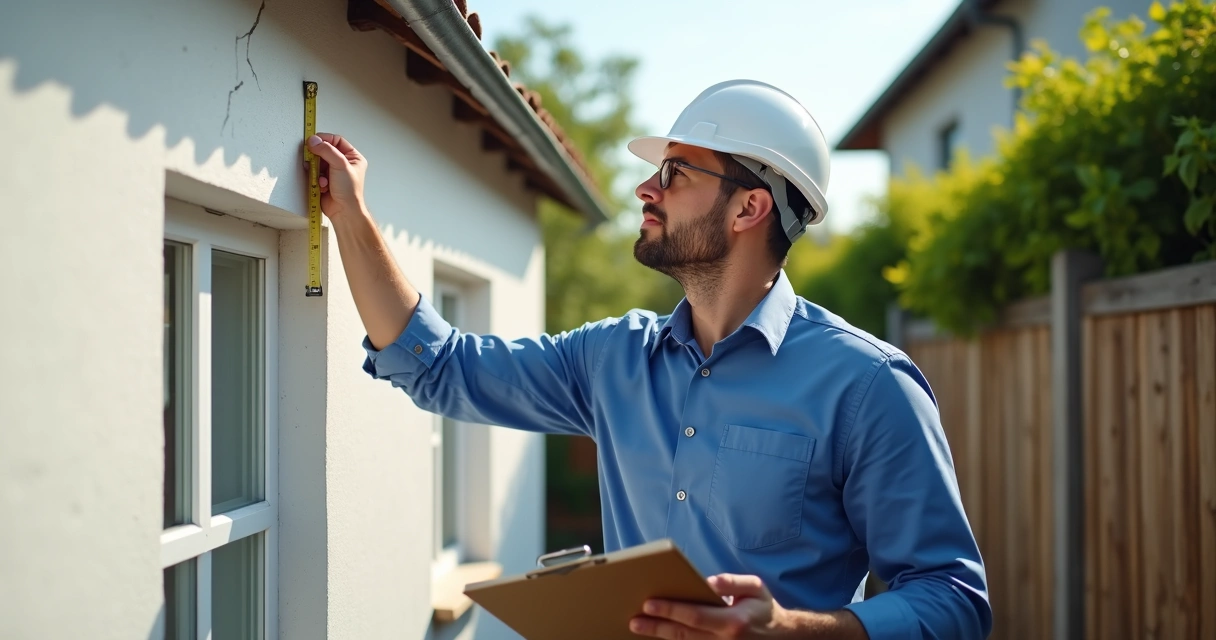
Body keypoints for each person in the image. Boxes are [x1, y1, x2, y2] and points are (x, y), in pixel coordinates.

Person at [307, 79, 991, 640]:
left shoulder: (868, 385)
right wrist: (351, 218)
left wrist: (787, 629)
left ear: (749, 207)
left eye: (674, 173)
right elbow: (439, 367)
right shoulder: (612, 358)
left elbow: (952, 599)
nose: (646, 189)